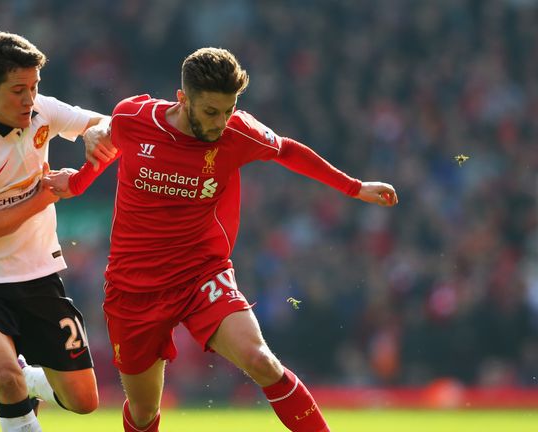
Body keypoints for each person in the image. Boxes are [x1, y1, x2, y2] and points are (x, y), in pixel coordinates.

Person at [48, 47, 399, 432]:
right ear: (183, 99)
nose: (221, 122)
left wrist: (353, 187)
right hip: (133, 289)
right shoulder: (136, 116)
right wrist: (77, 182)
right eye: (211, 112)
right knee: (144, 411)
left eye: (228, 110)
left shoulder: (237, 132)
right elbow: (108, 144)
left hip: (201, 275)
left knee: (261, 361)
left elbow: (286, 150)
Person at [0, 31, 109, 432]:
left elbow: (107, 126)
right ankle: (20, 379)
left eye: (34, 87)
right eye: (18, 90)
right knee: (3, 373)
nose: (29, 100)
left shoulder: (42, 111)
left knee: (83, 402)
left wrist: (97, 133)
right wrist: (46, 196)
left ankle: (32, 378)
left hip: (37, 275)